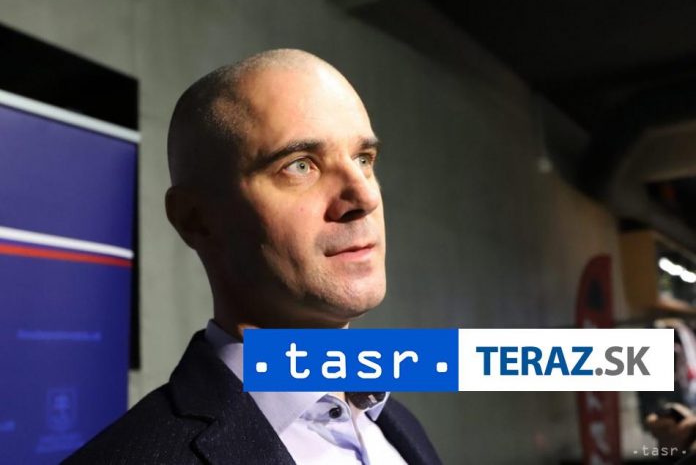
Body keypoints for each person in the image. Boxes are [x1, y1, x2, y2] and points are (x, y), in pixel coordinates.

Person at [63, 49, 441, 464]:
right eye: (300, 166)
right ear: (196, 219)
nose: (365, 197)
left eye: (363, 159)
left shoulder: (401, 428)